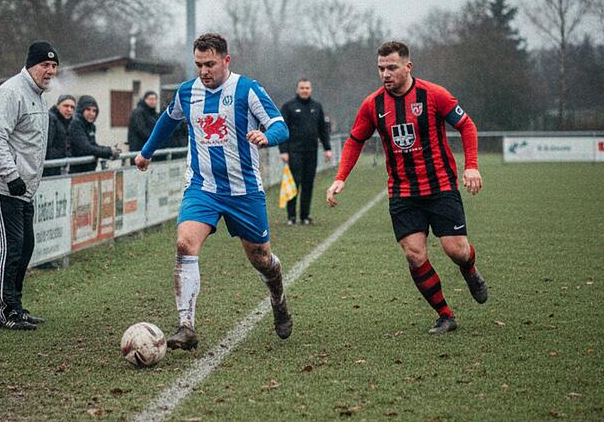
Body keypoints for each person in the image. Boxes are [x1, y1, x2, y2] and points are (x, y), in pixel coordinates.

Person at [134, 33, 291, 350]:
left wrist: (267, 137)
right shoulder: (187, 92)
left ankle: (278, 297)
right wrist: (147, 151)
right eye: (198, 65)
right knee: (184, 243)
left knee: (261, 258)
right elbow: (168, 120)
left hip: (244, 191)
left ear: (226, 60)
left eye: (210, 64)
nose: (204, 71)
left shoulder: (247, 89)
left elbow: (280, 124)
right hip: (201, 187)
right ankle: (186, 326)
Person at [325, 41, 488, 334]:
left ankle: (470, 269)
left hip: (440, 186)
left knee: (457, 250)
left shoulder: (434, 95)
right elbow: (355, 140)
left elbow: (467, 126)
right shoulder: (372, 105)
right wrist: (341, 176)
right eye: (381, 69)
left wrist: (472, 165)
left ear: (408, 67)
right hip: (403, 192)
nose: (385, 74)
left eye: (392, 67)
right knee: (414, 254)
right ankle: (445, 314)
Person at [0, 41, 59, 330]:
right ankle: (5, 311)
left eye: (53, 66)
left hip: (23, 189)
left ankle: (16, 307)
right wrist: (11, 177)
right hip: (0, 185)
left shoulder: (38, 95)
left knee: (25, 246)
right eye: (44, 65)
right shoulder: (11, 92)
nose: (49, 71)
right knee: (8, 248)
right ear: (31, 65)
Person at [279, 78, 332, 225]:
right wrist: (283, 150)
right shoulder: (289, 107)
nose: (304, 90)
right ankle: (291, 217)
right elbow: (282, 129)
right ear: (297, 89)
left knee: (308, 184)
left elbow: (323, 129)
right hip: (294, 151)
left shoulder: (316, 106)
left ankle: (304, 216)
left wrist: (327, 148)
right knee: (294, 184)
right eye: (302, 88)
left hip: (311, 152)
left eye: (307, 88)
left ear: (311, 89)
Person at [68, 95, 120, 173]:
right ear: (81, 110)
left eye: (94, 111)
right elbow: (86, 148)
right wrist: (108, 151)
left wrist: (110, 149)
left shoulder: (91, 126)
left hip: (89, 170)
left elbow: (93, 145)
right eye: (88, 110)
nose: (91, 113)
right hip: (77, 172)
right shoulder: (76, 124)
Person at [43, 94, 75, 177]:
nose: (69, 109)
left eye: (72, 107)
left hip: (57, 166)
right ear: (58, 106)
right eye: (66, 106)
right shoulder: (52, 119)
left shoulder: (68, 122)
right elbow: (47, 146)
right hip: (49, 168)